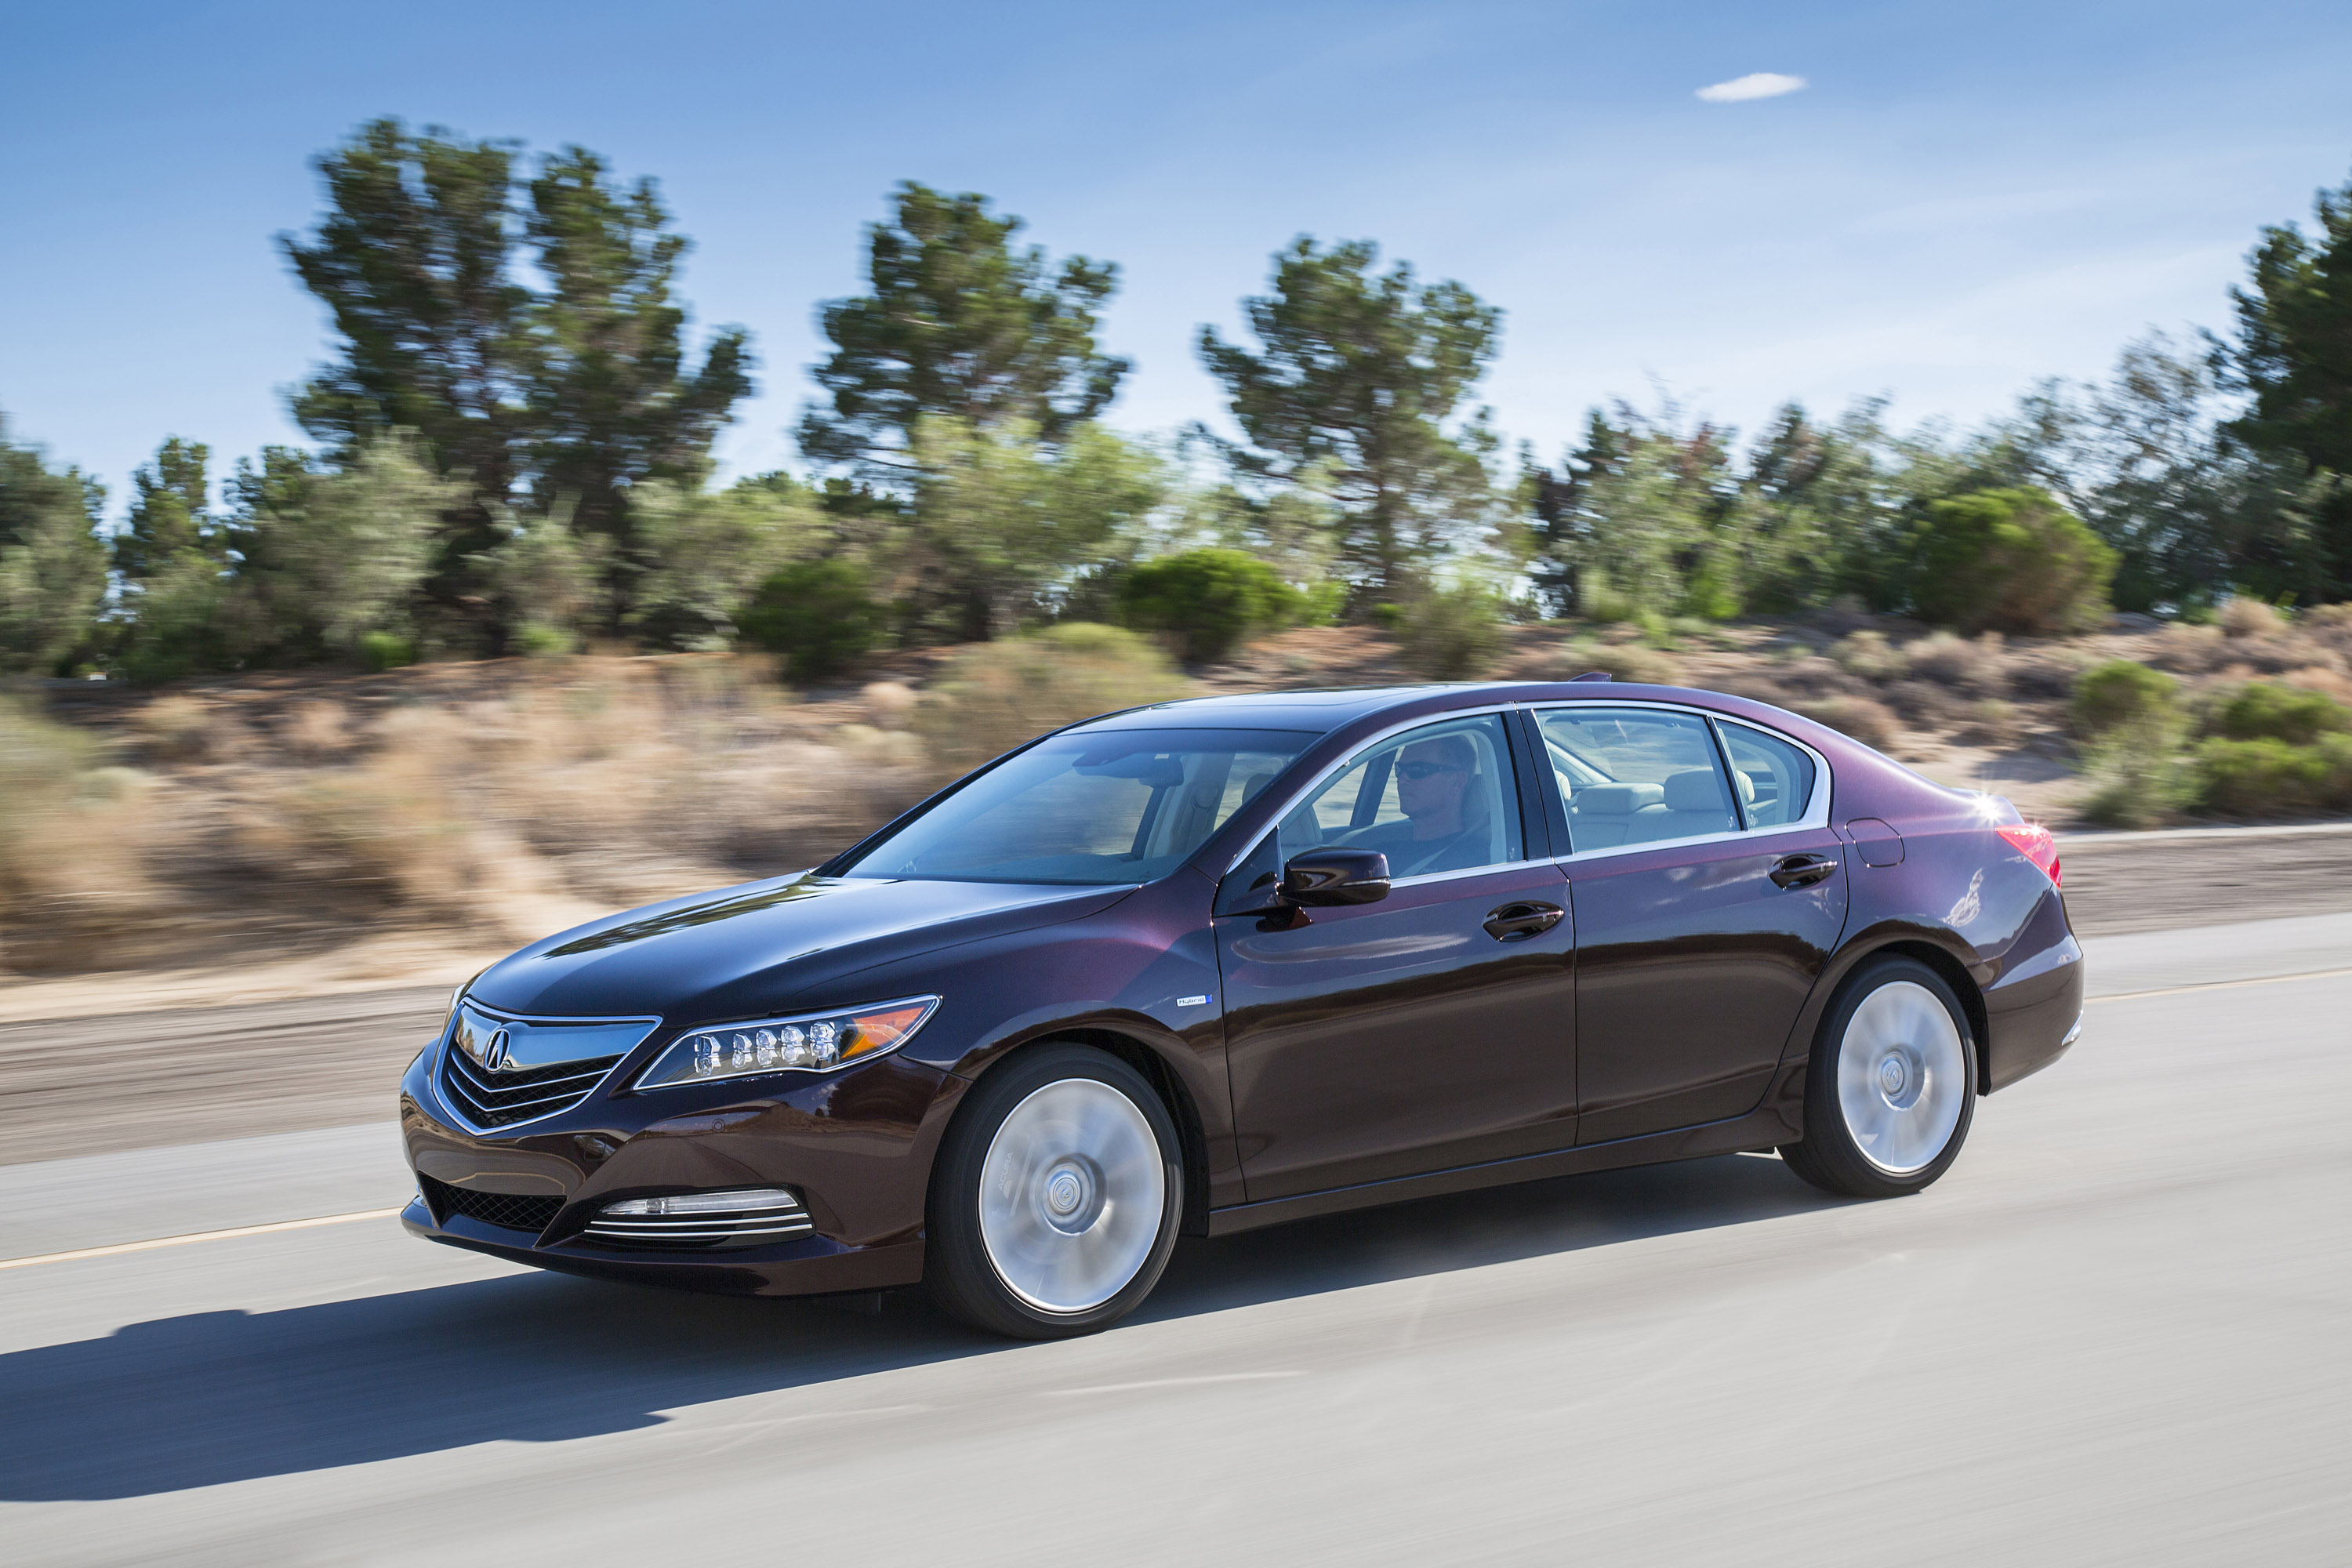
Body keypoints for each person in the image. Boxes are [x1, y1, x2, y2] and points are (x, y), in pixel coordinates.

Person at [1338, 732, 1495, 877]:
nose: (1402, 779)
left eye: (1418, 770)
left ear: (1457, 782)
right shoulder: (1382, 854)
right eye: (1400, 769)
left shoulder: (1477, 861)